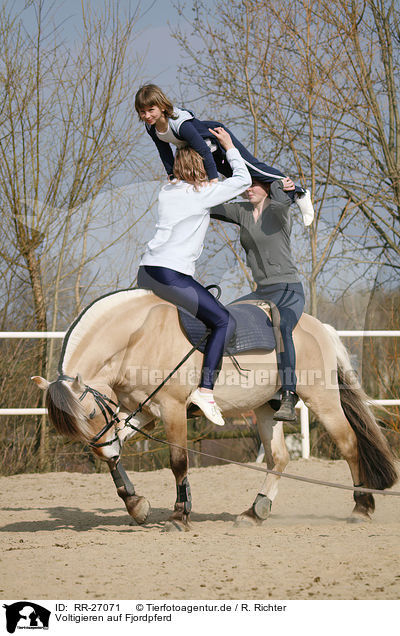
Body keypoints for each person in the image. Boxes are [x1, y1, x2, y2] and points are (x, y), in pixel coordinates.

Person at [137, 127, 251, 426]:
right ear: (200, 166)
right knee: (224, 320)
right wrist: (228, 146)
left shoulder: (168, 190)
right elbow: (243, 180)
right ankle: (205, 390)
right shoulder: (201, 193)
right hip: (171, 274)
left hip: (147, 271)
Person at [135, 83, 314, 227]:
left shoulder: (179, 124)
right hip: (207, 152)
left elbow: (203, 150)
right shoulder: (151, 127)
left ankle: (300, 193)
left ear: (162, 107)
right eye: (143, 112)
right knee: (242, 182)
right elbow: (164, 151)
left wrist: (213, 179)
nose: (147, 115)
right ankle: (281, 198)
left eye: (151, 110)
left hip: (216, 139)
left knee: (252, 168)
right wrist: (173, 176)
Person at [210, 176, 305, 421]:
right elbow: (210, 205)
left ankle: (288, 395)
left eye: (255, 183)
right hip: (260, 291)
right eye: (246, 184)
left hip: (287, 289)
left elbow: (284, 197)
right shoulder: (242, 212)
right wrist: (188, 182)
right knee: (224, 318)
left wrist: (276, 181)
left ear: (267, 187)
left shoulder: (277, 210)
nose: (249, 188)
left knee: (283, 326)